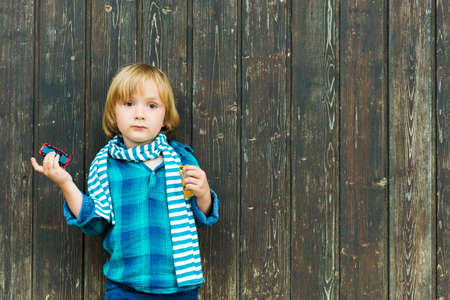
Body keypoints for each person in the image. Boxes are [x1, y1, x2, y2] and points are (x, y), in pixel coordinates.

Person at [31, 63, 219, 299]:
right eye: (129, 104)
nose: (139, 114)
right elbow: (94, 222)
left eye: (151, 106)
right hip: (125, 287)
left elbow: (201, 216)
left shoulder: (181, 159)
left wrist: (203, 193)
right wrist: (65, 183)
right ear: (114, 114)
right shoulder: (105, 165)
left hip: (180, 288)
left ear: (164, 118)